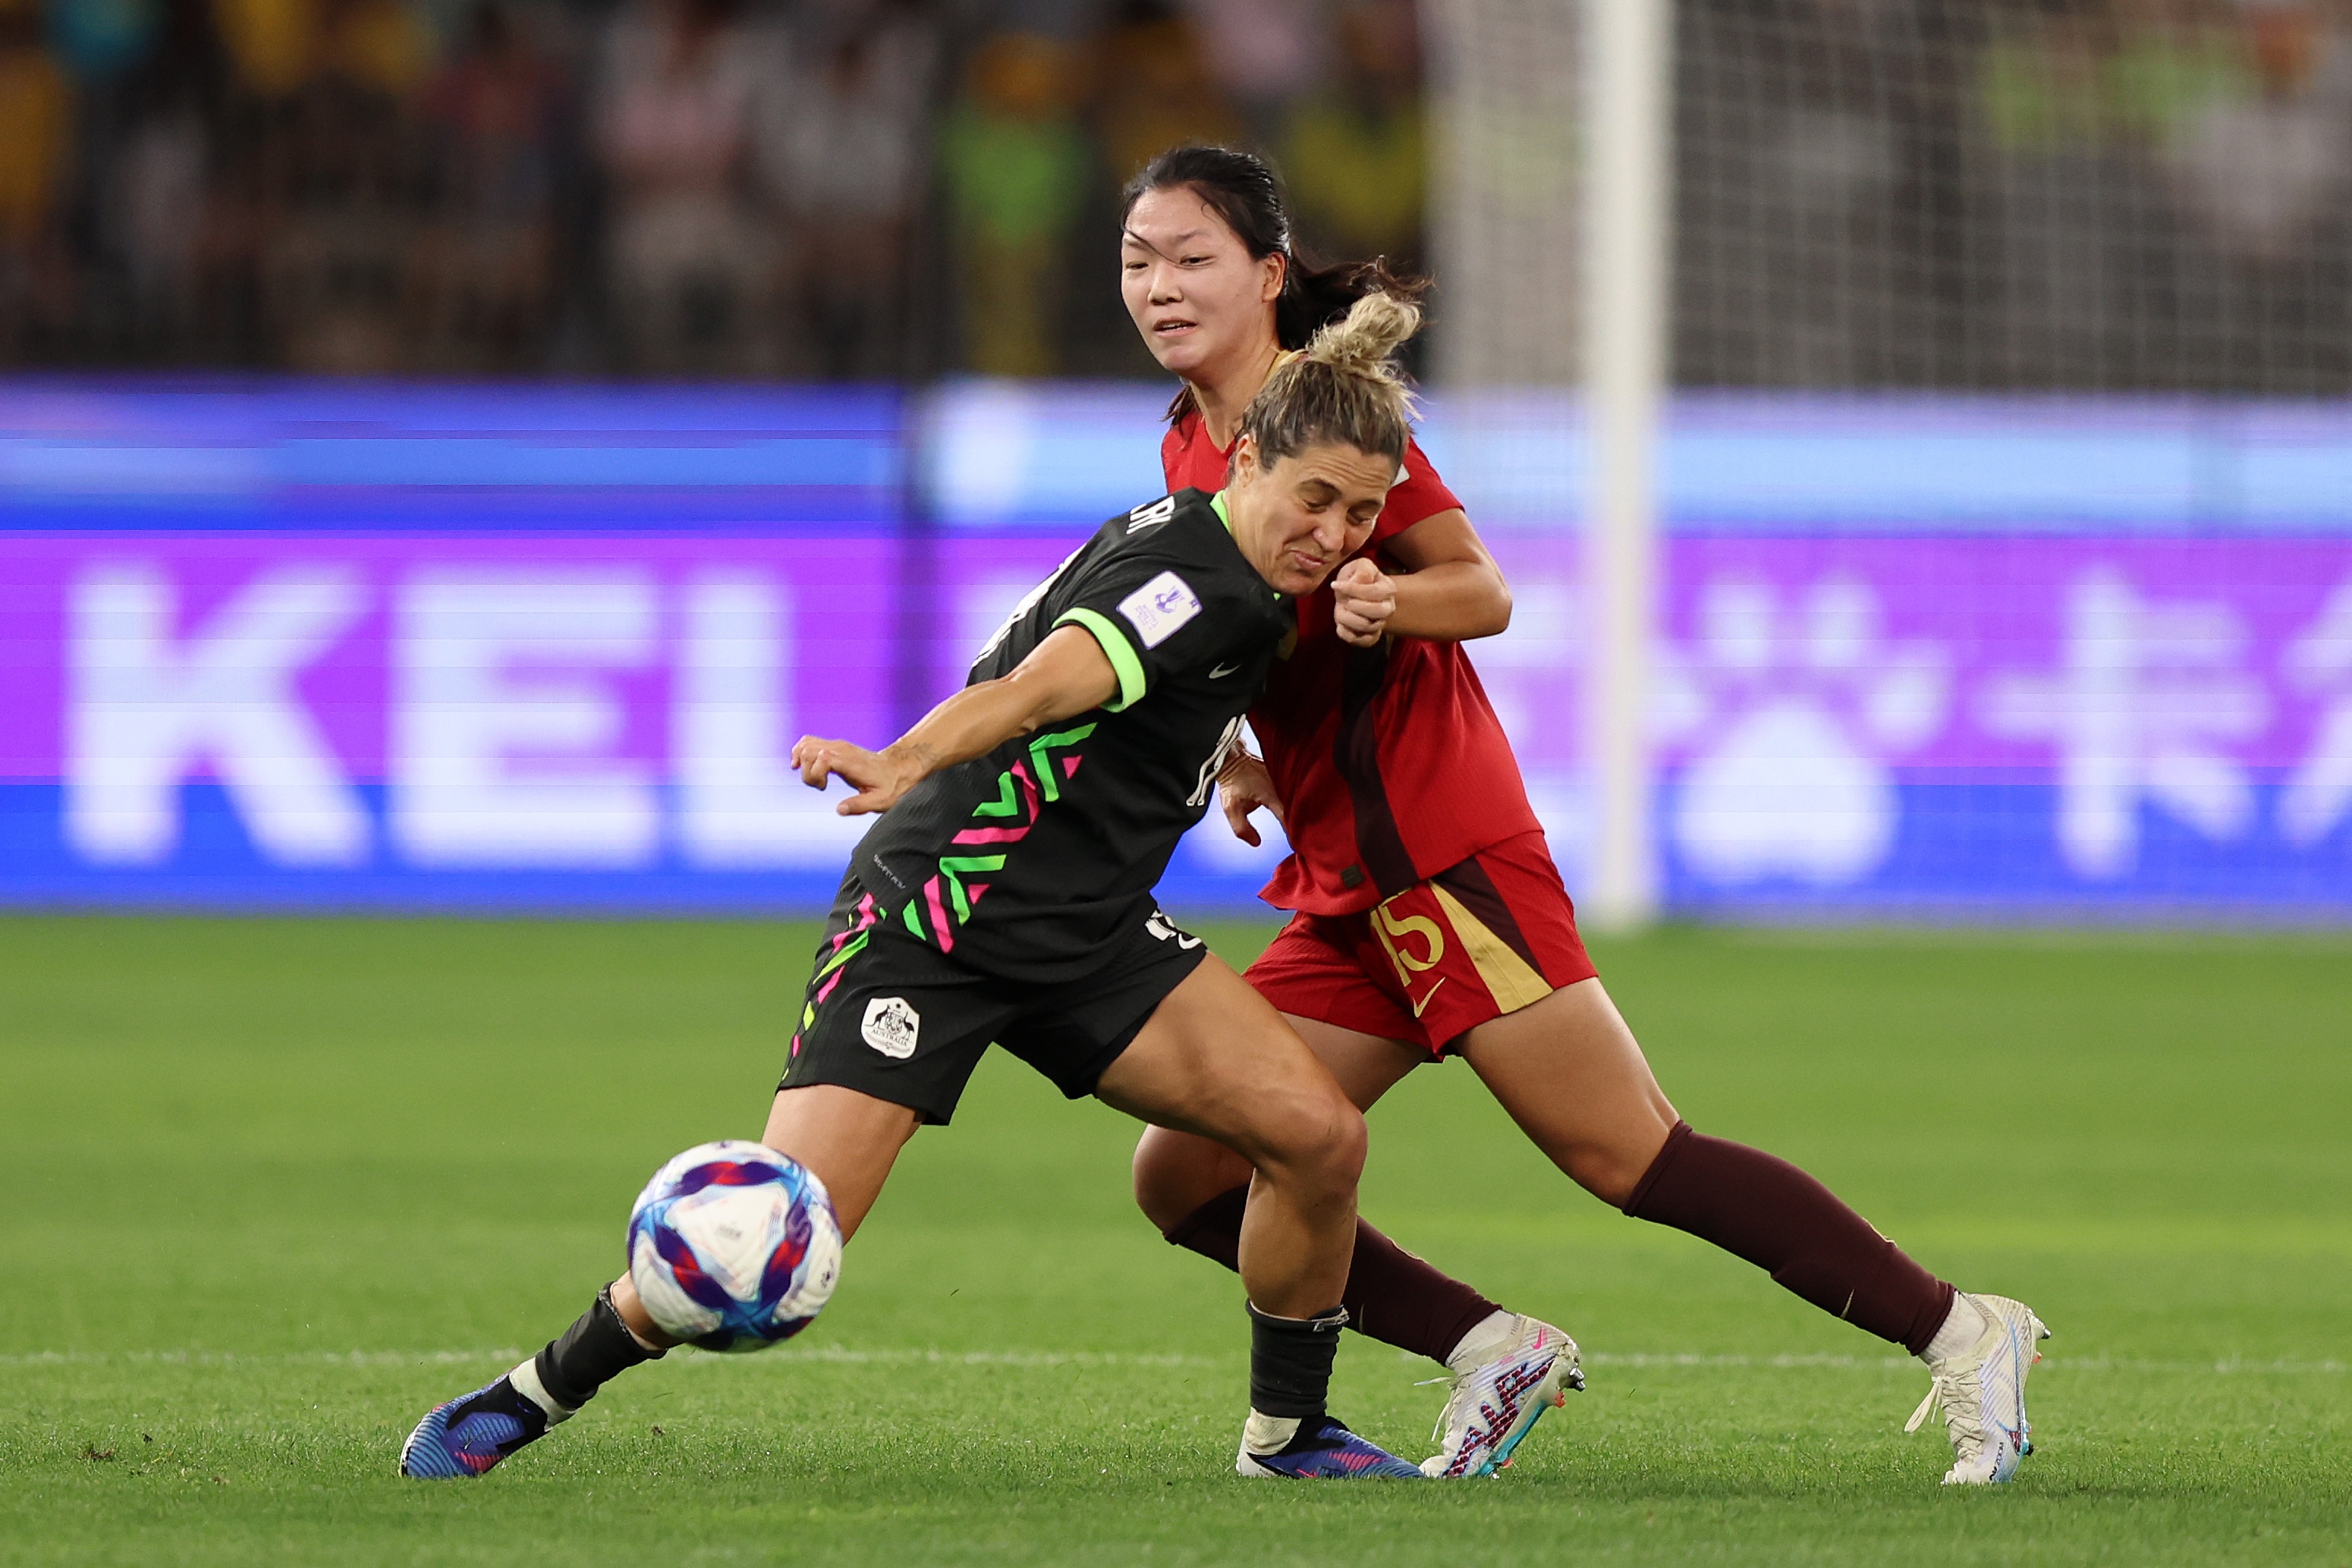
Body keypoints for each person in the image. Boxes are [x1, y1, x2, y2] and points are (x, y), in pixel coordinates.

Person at [1117, 145, 2052, 1486]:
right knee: (1189, 1176)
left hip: (1440, 853)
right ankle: (1491, 1348)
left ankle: (1965, 1334)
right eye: (1141, 259)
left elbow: (1481, 587)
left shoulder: (1325, 416)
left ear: (1265, 273)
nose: (1160, 285)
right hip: (1348, 875)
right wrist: (1245, 748)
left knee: (1627, 1154)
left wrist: (1394, 604)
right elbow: (1254, 631)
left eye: (1190, 257)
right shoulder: (1188, 435)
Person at [401, 294, 1439, 1484]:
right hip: (938, 917)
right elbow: (1049, 683)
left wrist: (1228, 761)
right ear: (1250, 454)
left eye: (1362, 513)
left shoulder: (1229, 564)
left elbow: (1122, 692)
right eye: (1317, 499)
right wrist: (904, 759)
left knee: (1316, 1138)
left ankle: (1289, 1437)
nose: (1337, 534)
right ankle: (528, 1397)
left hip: (1087, 930)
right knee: (777, 1240)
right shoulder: (1195, 584)